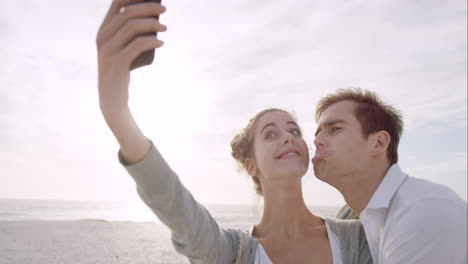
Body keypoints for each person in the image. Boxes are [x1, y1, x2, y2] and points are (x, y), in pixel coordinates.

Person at [96, 1, 372, 263]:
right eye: (270, 134)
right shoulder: (231, 253)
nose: (288, 136)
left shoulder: (358, 237)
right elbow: (175, 204)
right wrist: (117, 113)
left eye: (294, 131)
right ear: (251, 165)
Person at [312, 88, 467, 263]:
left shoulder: (425, 209)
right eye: (317, 133)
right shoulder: (368, 218)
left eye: (335, 129)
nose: (317, 141)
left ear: (379, 143)